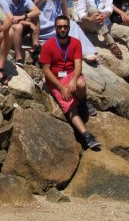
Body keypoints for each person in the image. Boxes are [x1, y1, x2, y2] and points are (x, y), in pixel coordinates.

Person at [39, 16, 100, 150]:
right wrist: (61, 87)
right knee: (70, 106)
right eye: (59, 27)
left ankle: (83, 102)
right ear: (55, 28)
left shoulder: (75, 43)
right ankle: (87, 135)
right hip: (56, 79)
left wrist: (74, 79)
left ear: (69, 28)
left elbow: (78, 65)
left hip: (70, 73)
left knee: (81, 84)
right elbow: (46, 70)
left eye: (65, 27)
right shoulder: (48, 45)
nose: (62, 29)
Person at [34, 0, 98, 63]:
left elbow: (65, 15)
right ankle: (83, 52)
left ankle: (85, 51)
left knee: (72, 24)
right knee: (70, 26)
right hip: (44, 28)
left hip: (57, 25)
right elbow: (32, 11)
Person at [0, 0, 41, 76]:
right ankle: (18, 57)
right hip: (5, 30)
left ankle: (35, 47)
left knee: (35, 17)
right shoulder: (4, 1)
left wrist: (23, 17)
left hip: (17, 25)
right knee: (19, 26)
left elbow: (37, 11)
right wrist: (27, 22)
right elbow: (11, 20)